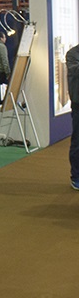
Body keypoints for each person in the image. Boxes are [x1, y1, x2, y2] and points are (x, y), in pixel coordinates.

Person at [67, 44, 79, 190]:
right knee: (77, 142)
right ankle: (76, 176)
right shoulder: (72, 54)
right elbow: (75, 71)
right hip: (78, 105)